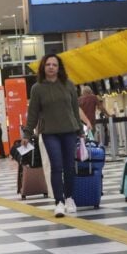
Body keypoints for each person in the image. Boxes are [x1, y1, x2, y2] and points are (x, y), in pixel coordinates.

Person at [22, 54, 84, 218]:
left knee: (69, 166)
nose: (51, 67)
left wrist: (81, 131)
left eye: (54, 65)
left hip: (69, 131)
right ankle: (59, 202)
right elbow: (32, 113)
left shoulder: (68, 85)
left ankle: (70, 198)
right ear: (43, 67)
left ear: (59, 68)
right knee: (56, 166)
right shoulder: (37, 88)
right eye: (48, 64)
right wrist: (27, 133)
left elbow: (74, 110)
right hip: (49, 132)